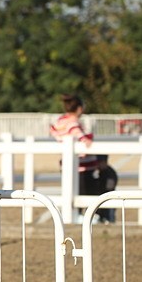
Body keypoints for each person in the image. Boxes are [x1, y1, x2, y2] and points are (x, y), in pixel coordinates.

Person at [49, 94, 116, 222]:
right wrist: (85, 139)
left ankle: (82, 217)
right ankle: (97, 217)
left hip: (69, 165)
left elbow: (55, 133)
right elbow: (77, 134)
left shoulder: (60, 122)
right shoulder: (73, 123)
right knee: (90, 193)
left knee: (76, 194)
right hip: (83, 167)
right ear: (79, 109)